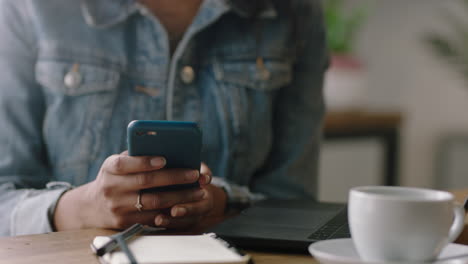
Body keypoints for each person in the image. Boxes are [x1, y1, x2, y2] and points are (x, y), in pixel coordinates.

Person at [0, 0, 328, 236]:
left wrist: (224, 203)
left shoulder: (294, 12)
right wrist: (87, 206)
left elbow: (293, 202)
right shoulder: (29, 8)